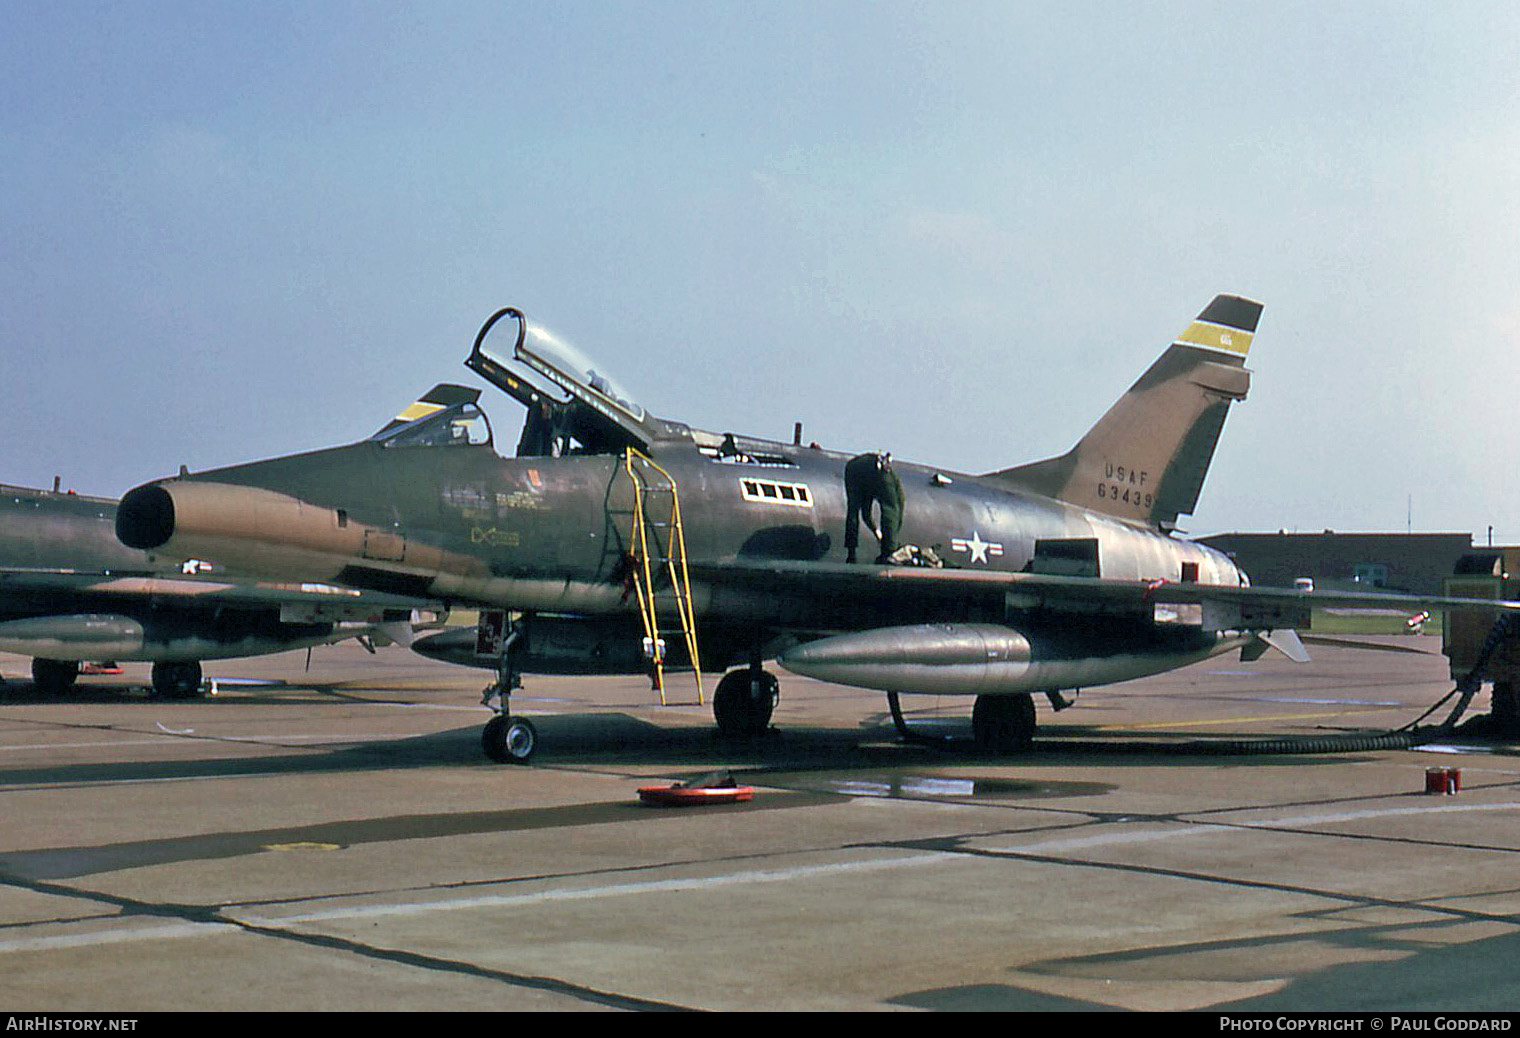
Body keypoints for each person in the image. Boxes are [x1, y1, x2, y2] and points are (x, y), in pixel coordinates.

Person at [843, 452, 905, 563]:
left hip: (855, 469)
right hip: (870, 469)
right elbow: (891, 512)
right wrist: (890, 546)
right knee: (891, 509)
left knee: (853, 510)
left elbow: (865, 514)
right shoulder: (887, 482)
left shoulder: (880, 482)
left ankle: (851, 554)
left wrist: (876, 532)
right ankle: (889, 552)